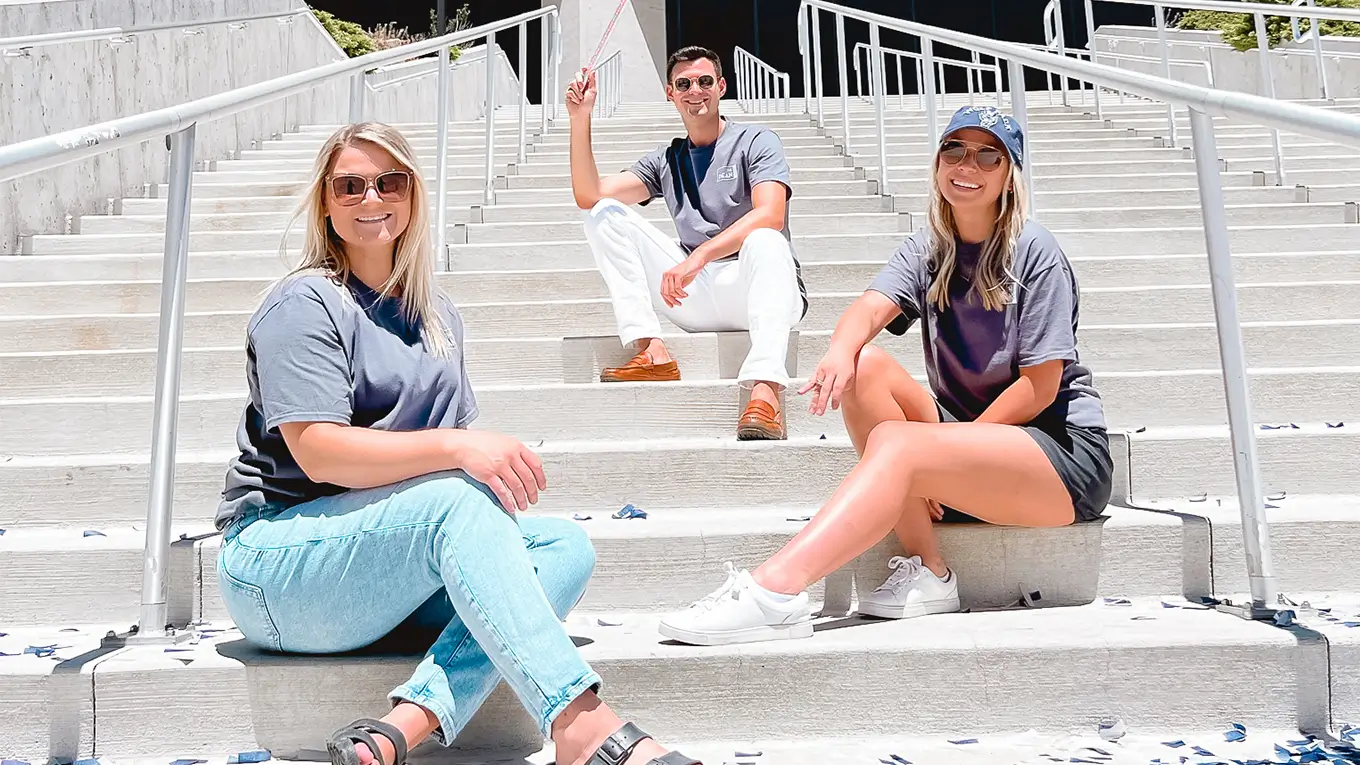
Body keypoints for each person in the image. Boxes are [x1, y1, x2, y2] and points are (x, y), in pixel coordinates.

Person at [214, 122, 703, 765]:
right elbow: (319, 452)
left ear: (413, 196)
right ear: (325, 204)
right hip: (279, 569)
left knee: (563, 547)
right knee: (454, 500)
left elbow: (445, 473)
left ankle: (402, 728)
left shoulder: (439, 316)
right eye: (350, 186)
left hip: (381, 575)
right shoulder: (304, 302)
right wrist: (457, 450)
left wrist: (463, 464)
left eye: (389, 182)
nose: (371, 199)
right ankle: (581, 726)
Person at [656, 106, 1114, 646]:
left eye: (988, 154)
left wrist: (948, 447)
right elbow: (869, 310)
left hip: (1058, 457)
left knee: (901, 442)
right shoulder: (929, 248)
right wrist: (839, 352)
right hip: (971, 448)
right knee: (864, 366)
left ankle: (773, 592)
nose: (969, 164)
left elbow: (1040, 387)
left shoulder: (1035, 250)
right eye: (955, 149)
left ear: (1009, 174)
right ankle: (931, 571)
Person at [566, 45, 808, 441]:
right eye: (684, 84)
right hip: (695, 298)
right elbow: (589, 194)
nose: (695, 91)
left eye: (704, 81)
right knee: (603, 213)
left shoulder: (757, 141)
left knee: (765, 238)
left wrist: (698, 258)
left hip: (757, 290)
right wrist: (580, 118)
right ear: (670, 93)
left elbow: (770, 214)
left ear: (721, 87)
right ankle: (652, 350)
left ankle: (765, 390)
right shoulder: (667, 159)